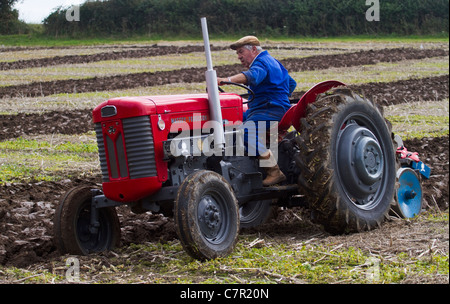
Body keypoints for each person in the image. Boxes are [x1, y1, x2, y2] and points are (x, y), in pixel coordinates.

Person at [217, 36, 297, 186]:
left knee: (244, 131)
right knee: (230, 122)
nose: (239, 57)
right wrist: (277, 93)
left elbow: (252, 76)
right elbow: (291, 83)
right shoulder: (273, 62)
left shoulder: (261, 62)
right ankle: (245, 158)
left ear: (253, 49)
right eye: (237, 54)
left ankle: (274, 171)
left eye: (241, 52)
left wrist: (225, 80)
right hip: (263, 108)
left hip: (271, 109)